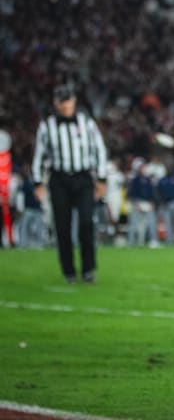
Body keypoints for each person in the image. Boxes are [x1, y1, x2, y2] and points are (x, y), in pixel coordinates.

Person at [31, 82, 108, 283]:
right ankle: (69, 271)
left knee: (86, 222)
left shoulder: (87, 123)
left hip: (83, 177)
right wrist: (38, 182)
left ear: (74, 101)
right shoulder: (47, 126)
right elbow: (39, 155)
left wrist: (101, 178)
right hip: (59, 178)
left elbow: (99, 150)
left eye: (68, 100)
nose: (65, 105)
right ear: (55, 103)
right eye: (61, 101)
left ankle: (89, 269)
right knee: (62, 227)